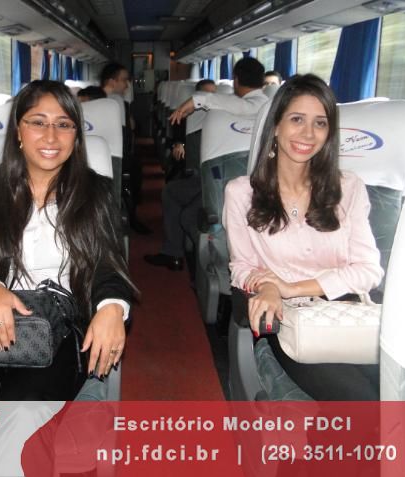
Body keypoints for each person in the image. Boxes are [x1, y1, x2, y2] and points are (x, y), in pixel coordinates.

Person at [0, 80, 135, 401]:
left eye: (63, 124)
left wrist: (112, 308)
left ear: (76, 136)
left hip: (62, 326)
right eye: (37, 122)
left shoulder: (97, 192)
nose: (51, 136)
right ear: (18, 131)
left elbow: (110, 270)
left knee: (24, 411)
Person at [222, 74, 383, 400]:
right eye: (297, 119)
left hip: (348, 314)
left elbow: (369, 271)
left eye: (320, 123)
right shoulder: (241, 193)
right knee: (363, 401)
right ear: (276, 126)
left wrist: (293, 287)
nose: (308, 134)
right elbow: (241, 267)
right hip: (290, 322)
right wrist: (268, 287)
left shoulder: (349, 188)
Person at [145, 58, 268, 271]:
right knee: (176, 194)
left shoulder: (240, 108)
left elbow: (246, 106)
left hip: (232, 185)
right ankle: (181, 254)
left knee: (186, 212)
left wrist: (197, 99)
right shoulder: (261, 106)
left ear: (236, 80)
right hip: (239, 182)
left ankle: (195, 261)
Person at [100, 63, 151, 234]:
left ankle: (131, 215)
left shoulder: (117, 101)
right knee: (133, 169)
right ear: (111, 82)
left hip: (115, 152)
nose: (127, 85)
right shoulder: (110, 102)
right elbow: (125, 136)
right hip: (113, 155)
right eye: (124, 80)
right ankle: (131, 218)